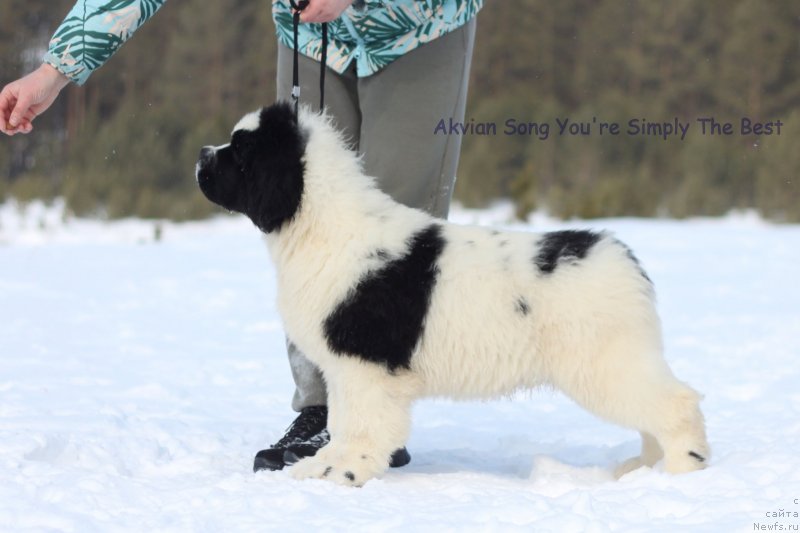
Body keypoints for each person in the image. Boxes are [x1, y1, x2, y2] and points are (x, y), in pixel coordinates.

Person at [0, 0, 482, 472]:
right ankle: (320, 410)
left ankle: (369, 420)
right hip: (311, 38)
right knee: (306, 222)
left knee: (394, 240)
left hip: (418, 27)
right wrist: (54, 70)